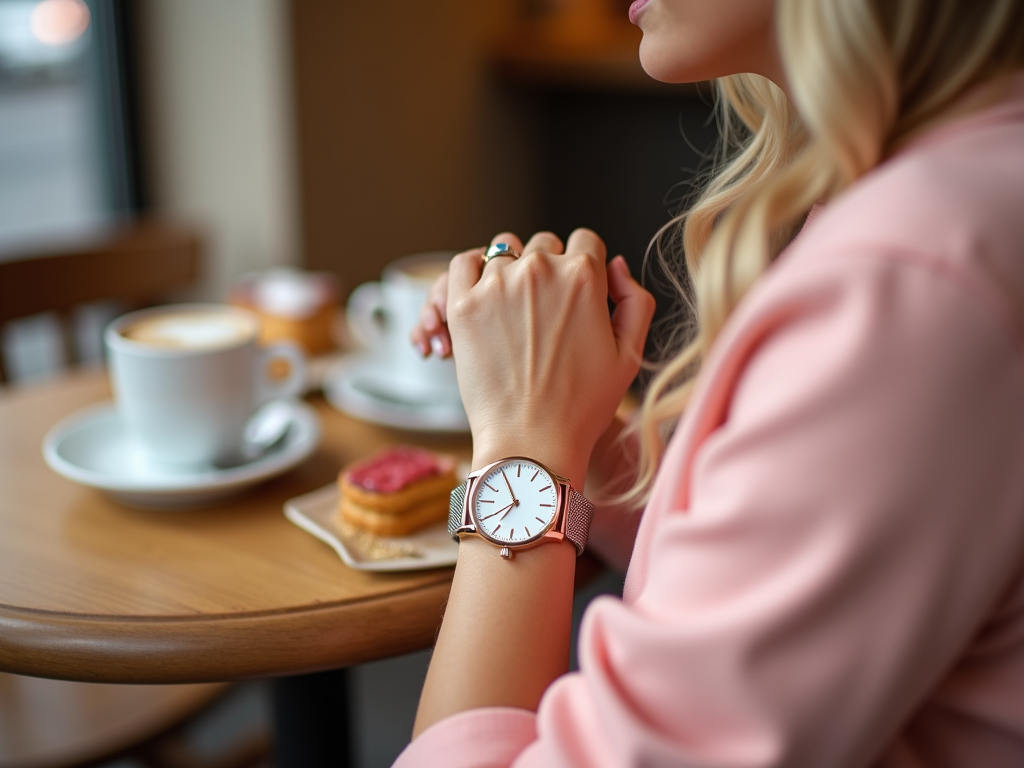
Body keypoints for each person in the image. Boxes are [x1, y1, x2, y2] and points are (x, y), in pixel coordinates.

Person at [399, 0, 1024, 764]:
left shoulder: (909, 281)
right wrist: (573, 413)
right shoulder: (954, 193)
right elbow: (753, 549)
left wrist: (524, 449)